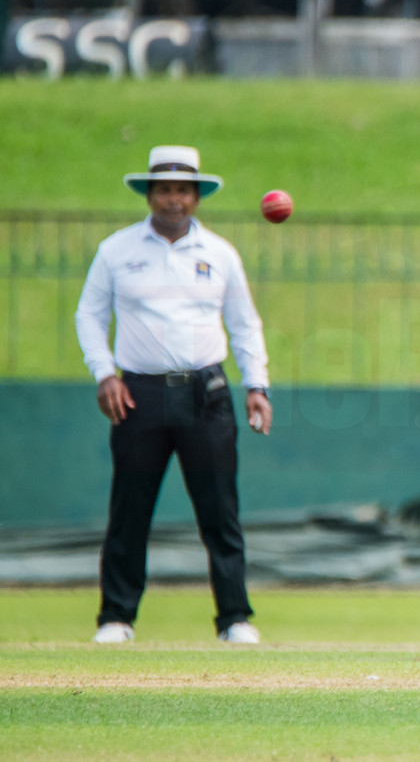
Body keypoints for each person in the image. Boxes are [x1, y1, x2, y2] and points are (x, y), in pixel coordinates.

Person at [74, 145, 272, 645]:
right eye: (164, 190)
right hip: (138, 393)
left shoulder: (220, 254)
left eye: (183, 190)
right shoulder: (117, 250)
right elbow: (89, 315)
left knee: (219, 510)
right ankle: (116, 618)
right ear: (149, 194)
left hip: (206, 393)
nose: (173, 199)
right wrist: (105, 373)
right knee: (130, 509)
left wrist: (257, 385)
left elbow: (244, 323)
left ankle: (234, 619)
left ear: (197, 197)